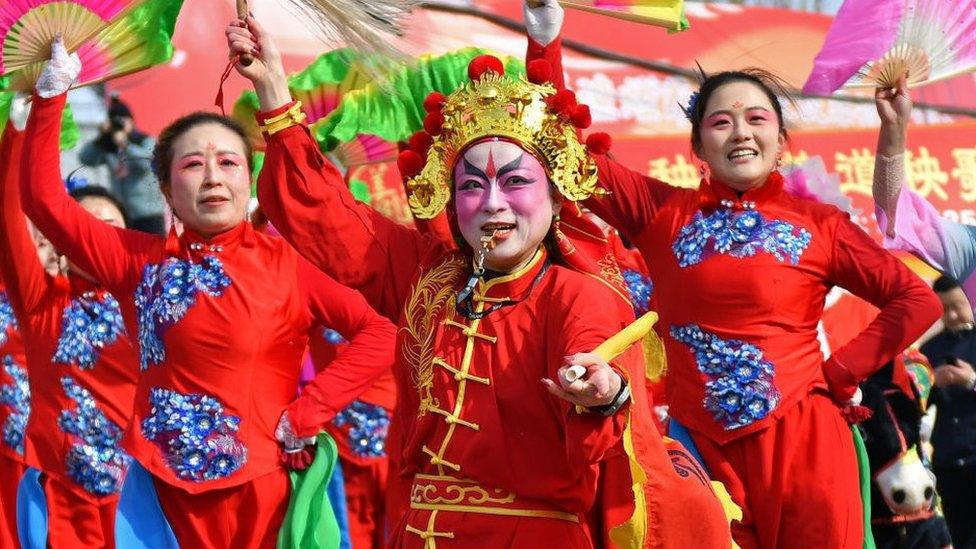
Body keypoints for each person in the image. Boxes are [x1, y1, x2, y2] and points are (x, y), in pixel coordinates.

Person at [229, 15, 733, 548]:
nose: (493, 203)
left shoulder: (576, 295)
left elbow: (592, 371)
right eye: (471, 185)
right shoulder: (430, 279)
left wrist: (604, 394)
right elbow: (328, 217)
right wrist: (273, 88)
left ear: (557, 195)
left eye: (515, 181)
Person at [523, 2, 941, 547]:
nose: (740, 132)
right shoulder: (661, 212)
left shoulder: (822, 225)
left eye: (757, 118)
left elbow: (916, 300)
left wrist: (838, 373)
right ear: (698, 146)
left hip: (807, 448)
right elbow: (563, 152)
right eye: (720, 121)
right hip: (700, 450)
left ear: (780, 140)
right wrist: (544, 41)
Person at [20, 39, 397, 548]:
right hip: (161, 494)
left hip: (262, 491)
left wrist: (310, 411)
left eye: (228, 163)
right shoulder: (137, 261)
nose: (213, 176)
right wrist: (51, 98)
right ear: (168, 190)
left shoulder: (292, 267)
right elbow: (45, 203)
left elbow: (382, 332)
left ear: (249, 181)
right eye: (193, 165)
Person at [0, 116, 140, 547]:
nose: (95, 238)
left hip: (139, 498)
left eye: (109, 228)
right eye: (83, 228)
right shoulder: (43, 303)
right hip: (62, 499)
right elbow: (9, 218)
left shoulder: (156, 301)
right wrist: (18, 133)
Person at [915, 275, 976, 547]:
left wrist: (971, 380)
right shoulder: (930, 349)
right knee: (958, 535)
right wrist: (930, 385)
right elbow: (918, 406)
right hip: (948, 459)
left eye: (957, 305)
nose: (951, 315)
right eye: (944, 309)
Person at [78, 94, 167, 235]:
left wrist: (125, 145)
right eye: (115, 121)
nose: (119, 124)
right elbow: (86, 159)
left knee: (154, 255)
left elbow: (147, 164)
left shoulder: (145, 140)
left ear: (132, 121)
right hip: (123, 214)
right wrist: (101, 137)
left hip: (149, 214)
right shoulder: (110, 146)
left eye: (123, 120)